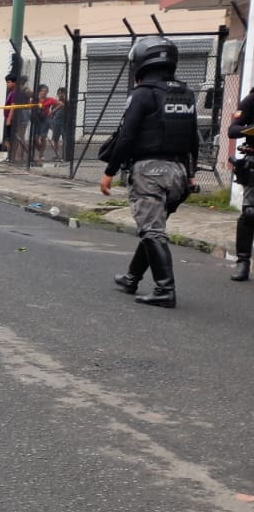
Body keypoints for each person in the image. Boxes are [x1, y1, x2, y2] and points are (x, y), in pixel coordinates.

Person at [103, 37, 199, 308]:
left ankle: (164, 290)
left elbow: (127, 136)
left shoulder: (143, 94)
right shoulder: (185, 93)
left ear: (143, 63)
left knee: (152, 231)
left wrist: (109, 171)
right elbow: (193, 137)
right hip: (179, 173)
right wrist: (191, 173)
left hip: (150, 172)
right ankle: (131, 278)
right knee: (153, 228)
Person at [226, 85, 254, 281]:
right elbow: (233, 130)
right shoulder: (252, 99)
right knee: (250, 213)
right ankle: (243, 262)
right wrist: (251, 131)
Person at [42, 87, 67, 163]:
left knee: (65, 139)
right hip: (56, 123)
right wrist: (51, 122)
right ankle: (57, 155)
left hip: (64, 123)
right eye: (58, 93)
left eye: (61, 93)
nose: (60, 95)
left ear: (64, 94)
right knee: (55, 139)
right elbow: (51, 114)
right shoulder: (55, 102)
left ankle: (65, 155)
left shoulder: (67, 102)